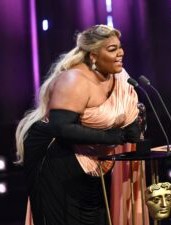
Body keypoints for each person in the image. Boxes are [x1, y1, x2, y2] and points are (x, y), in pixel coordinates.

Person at [16, 24, 142, 225]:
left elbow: (126, 109)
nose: (120, 53)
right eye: (112, 49)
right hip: (56, 156)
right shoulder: (74, 79)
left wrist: (134, 125)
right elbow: (61, 128)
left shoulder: (118, 76)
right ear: (93, 55)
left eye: (120, 47)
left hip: (93, 158)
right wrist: (114, 137)